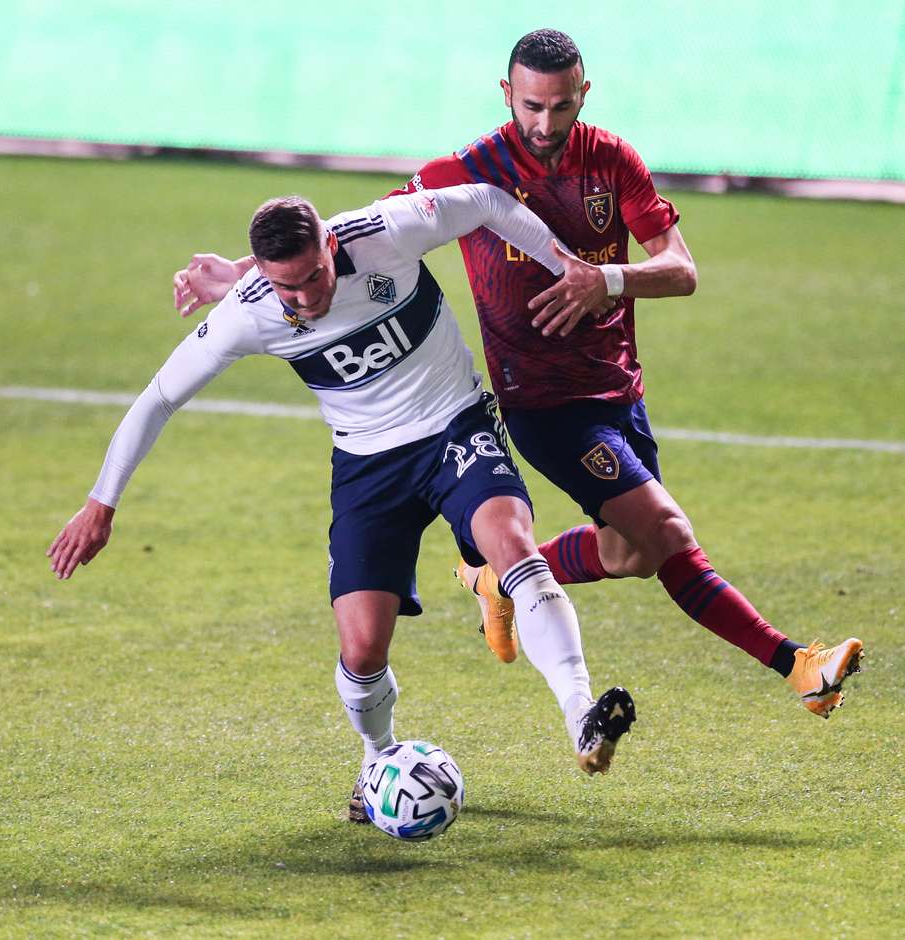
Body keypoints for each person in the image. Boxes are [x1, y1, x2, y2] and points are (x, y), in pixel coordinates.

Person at [170, 29, 863, 719]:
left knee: (630, 553)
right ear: (508, 95)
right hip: (544, 405)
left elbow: (681, 270)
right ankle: (797, 664)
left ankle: (496, 580)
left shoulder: (613, 160)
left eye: (561, 106)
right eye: (531, 105)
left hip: (618, 387)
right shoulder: (469, 170)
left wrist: (610, 281)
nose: (544, 123)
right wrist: (242, 271)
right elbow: (349, 230)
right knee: (669, 534)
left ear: (582, 95)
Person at [50, 185, 637, 824]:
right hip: (367, 466)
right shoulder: (249, 314)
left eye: (312, 277)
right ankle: (377, 759)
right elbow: (158, 397)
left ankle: (581, 715)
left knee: (514, 546)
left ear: (332, 244)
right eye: (285, 289)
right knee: (361, 652)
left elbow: (491, 203)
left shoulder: (388, 231)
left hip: (454, 425)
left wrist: (566, 264)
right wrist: (101, 504)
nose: (304, 299)